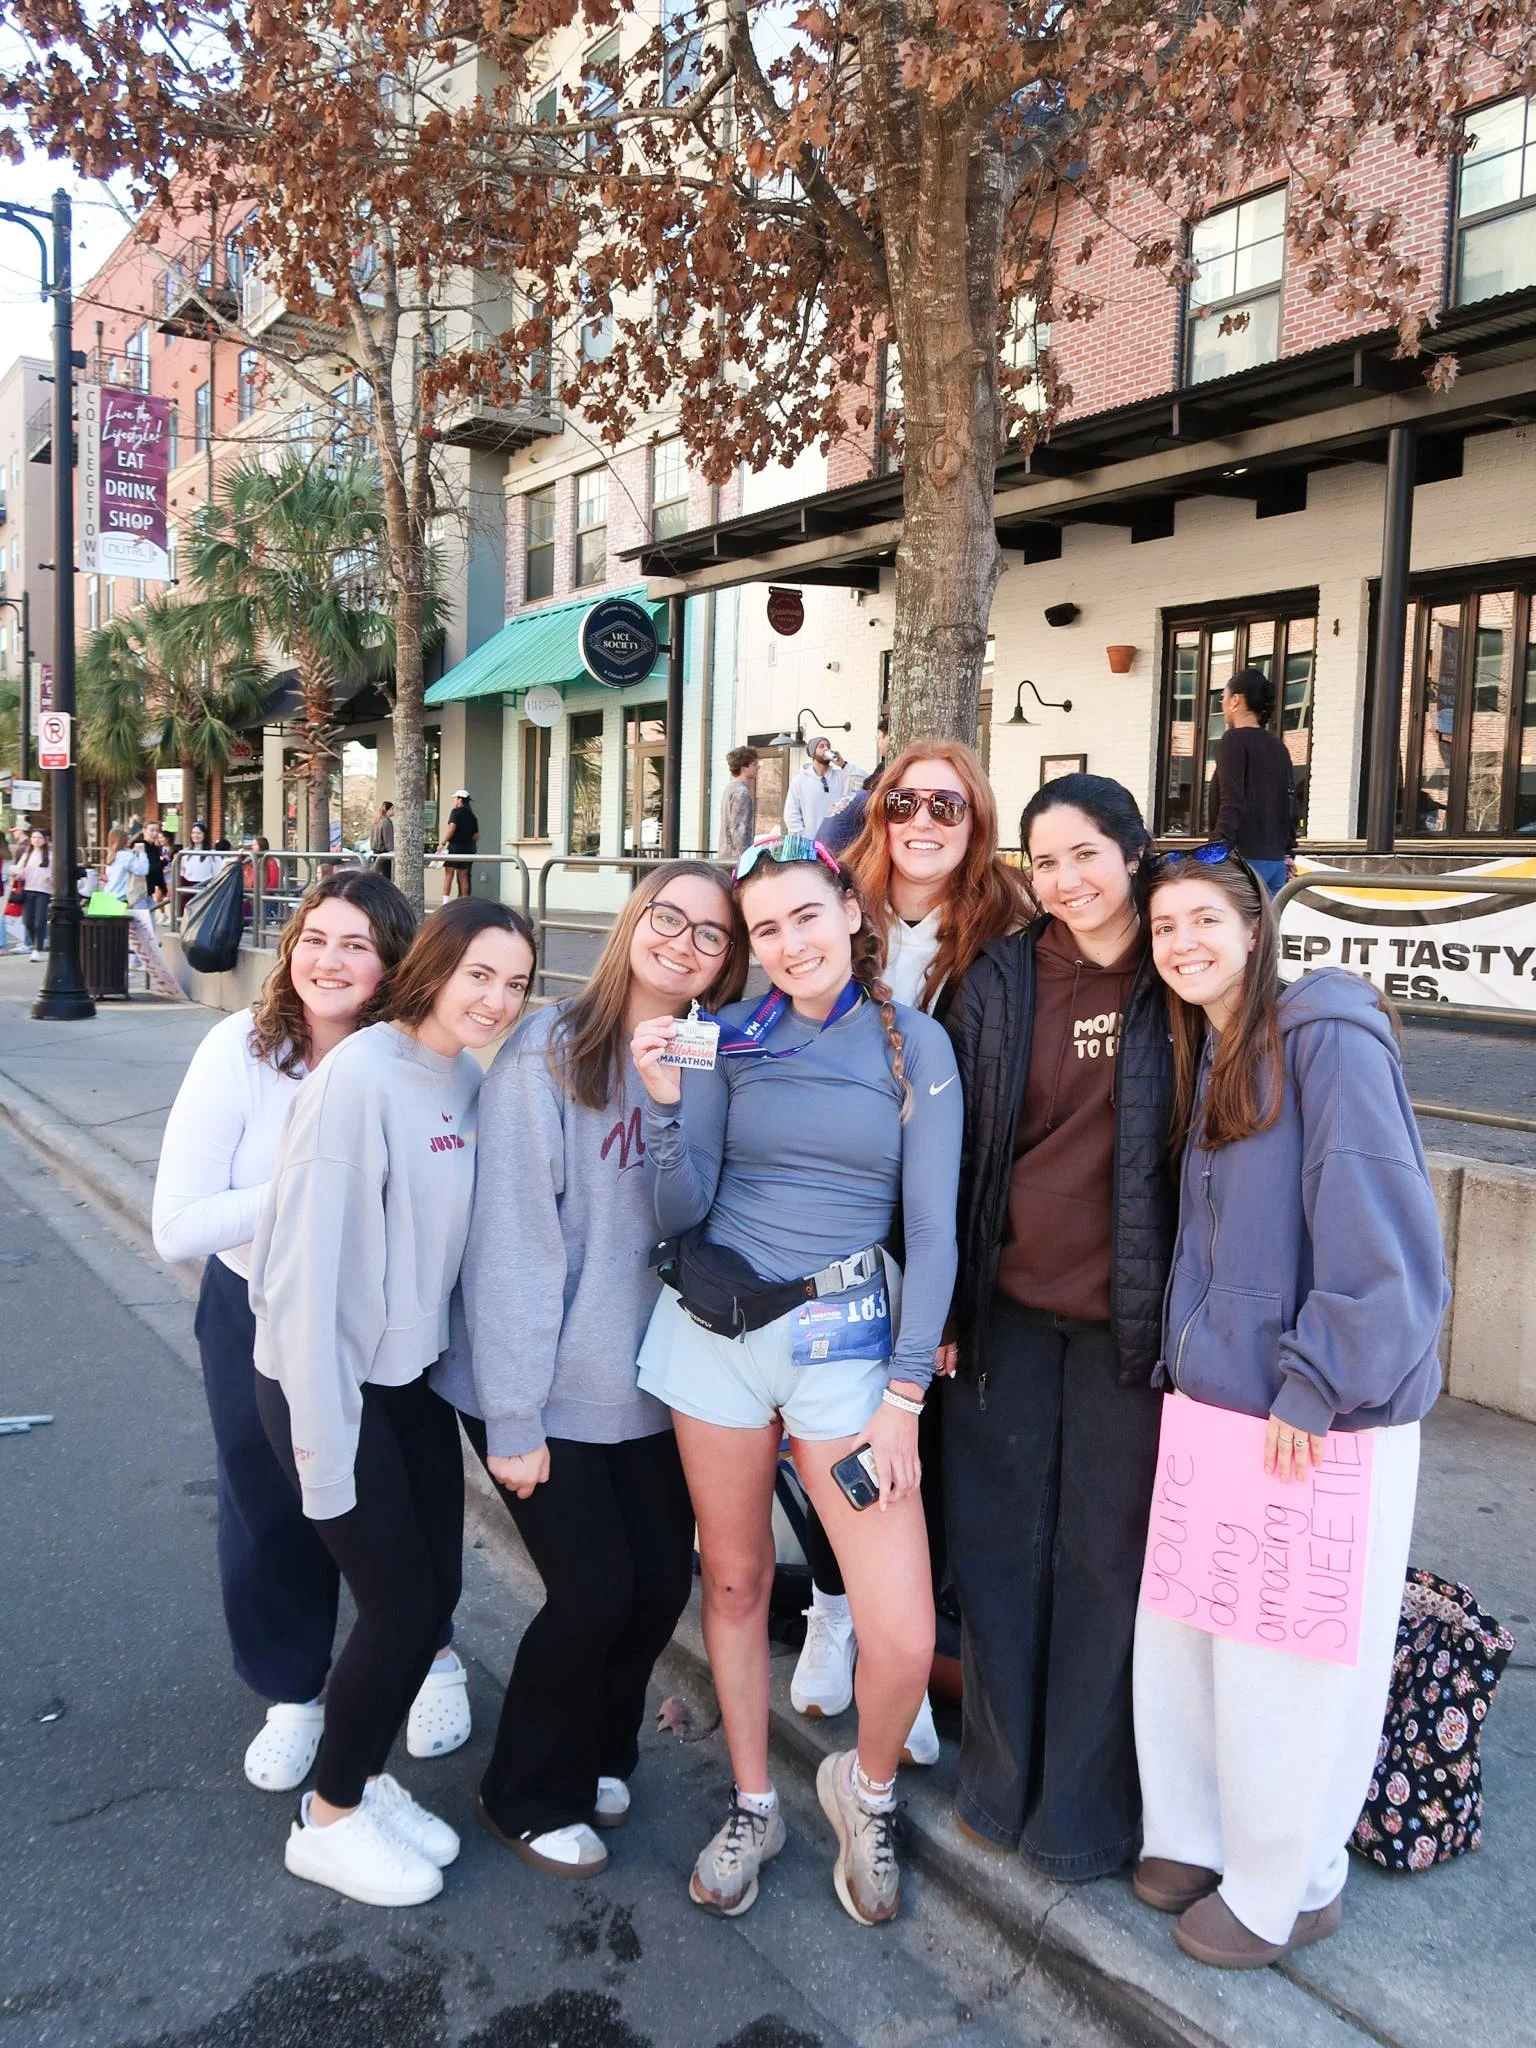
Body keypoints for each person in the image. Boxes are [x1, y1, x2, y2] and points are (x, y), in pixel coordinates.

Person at [631, 834, 961, 1927]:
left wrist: (907, 1392)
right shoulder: (726, 1037)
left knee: (902, 1626)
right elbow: (680, 1211)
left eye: (806, 917)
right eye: (764, 929)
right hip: (717, 1340)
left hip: (850, 1352)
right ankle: (754, 1798)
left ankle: (862, 1791)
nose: (787, 943)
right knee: (730, 1584)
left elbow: (936, 1231)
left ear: (853, 917)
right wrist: (670, 1104)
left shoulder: (915, 1044)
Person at [1131, 849, 1446, 1966]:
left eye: (1203, 920)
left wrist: (1318, 1378)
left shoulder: (1330, 1035)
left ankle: (1290, 1880)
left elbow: (1381, 1228)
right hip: (1215, 1397)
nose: (1182, 944)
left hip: (1313, 1407)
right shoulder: (1211, 1042)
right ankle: (1203, 1831)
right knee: (1191, 1633)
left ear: (1255, 928)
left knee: (1295, 1665)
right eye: (1164, 926)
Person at [436, 862, 749, 1880]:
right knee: (594, 1590)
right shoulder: (550, 1048)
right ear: (632, 920)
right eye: (669, 916)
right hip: (537, 1379)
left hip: (653, 1382)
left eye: (712, 933)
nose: (686, 942)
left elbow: (693, 1213)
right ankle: (524, 1790)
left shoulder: (710, 1061)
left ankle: (601, 1751)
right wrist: (514, 1413)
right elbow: (516, 1242)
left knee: (658, 1583)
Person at [153, 873, 472, 1796]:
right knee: (272, 1498)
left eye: (357, 945)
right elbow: (178, 1224)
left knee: (411, 1493)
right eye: (314, 939)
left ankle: (432, 1653)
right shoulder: (240, 1052)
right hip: (258, 1304)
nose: (329, 961)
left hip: (388, 1317)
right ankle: (294, 1690)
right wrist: (318, 1175)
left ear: (395, 964)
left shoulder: (424, 1056)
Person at [248, 896, 536, 1908]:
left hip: (408, 1380)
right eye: (479, 976)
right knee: (401, 1606)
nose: (497, 1000)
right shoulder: (358, 1077)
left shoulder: (464, 1073)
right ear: (434, 968)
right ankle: (326, 1820)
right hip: (326, 1381)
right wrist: (324, 1455)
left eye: (517, 982)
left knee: (432, 1601)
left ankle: (363, 1782)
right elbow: (304, 1284)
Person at [943, 774, 1176, 1881]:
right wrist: (944, 1310)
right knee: (995, 1551)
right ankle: (996, 1781)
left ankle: (1082, 1812)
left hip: (1134, 1327)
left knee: (1105, 1564)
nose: (1068, 878)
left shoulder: (1179, 965)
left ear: (1133, 850)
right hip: (1006, 1314)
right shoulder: (997, 977)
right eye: (1044, 860)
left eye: (1086, 852)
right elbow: (951, 1157)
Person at [790, 739, 1032, 1757]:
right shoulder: (840, 915)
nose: (923, 820)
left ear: (977, 822)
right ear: (877, 815)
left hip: (945, 1223)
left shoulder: (1015, 938)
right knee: (822, 1434)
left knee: (914, 1449)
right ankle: (834, 1605)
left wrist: (954, 1294)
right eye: (902, 802)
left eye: (948, 803)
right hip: (837, 1218)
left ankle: (902, 1648)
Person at [1207, 666, 1297, 895]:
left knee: (1234, 928)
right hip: (1275, 862)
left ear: (1236, 700)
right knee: (1266, 929)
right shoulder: (1278, 746)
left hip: (1242, 860)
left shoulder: (1233, 740)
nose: (1222, 703)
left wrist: (1214, 852)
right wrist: (1287, 852)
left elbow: (1232, 801)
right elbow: (1289, 803)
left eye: (1223, 697)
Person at [783, 737, 868, 838]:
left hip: (836, 843)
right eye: (821, 746)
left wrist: (843, 764)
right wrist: (803, 838)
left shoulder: (842, 777)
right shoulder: (799, 781)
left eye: (828, 746)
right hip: (811, 844)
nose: (826, 749)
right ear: (813, 753)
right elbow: (791, 814)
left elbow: (866, 782)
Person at [718, 747, 759, 860]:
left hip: (725, 854)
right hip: (736, 858)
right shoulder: (742, 792)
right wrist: (746, 858)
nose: (758, 767)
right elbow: (740, 830)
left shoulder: (730, 788)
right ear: (743, 767)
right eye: (754, 764)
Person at [19, 828, 52, 960]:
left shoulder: (50, 856)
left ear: (45, 840)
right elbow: (20, 870)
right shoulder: (27, 854)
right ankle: (36, 944)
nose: (36, 840)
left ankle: (37, 949)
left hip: (43, 891)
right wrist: (17, 874)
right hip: (28, 890)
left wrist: (51, 879)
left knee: (40, 921)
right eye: (34, 837)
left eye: (39, 837)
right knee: (27, 921)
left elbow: (56, 873)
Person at [441, 789, 478, 898]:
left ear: (460, 799)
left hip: (454, 847)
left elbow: (452, 828)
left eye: (455, 798)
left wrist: (443, 843)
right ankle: (464, 901)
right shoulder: (472, 816)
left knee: (449, 874)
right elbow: (476, 836)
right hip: (467, 849)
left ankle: (445, 902)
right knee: (463, 875)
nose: (454, 801)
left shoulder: (455, 812)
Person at [370, 800, 395, 878]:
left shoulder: (377, 821)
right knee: (386, 875)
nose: (393, 811)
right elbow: (388, 839)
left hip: (376, 851)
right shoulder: (386, 822)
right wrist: (392, 850)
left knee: (378, 875)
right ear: (387, 810)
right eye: (392, 809)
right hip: (384, 852)